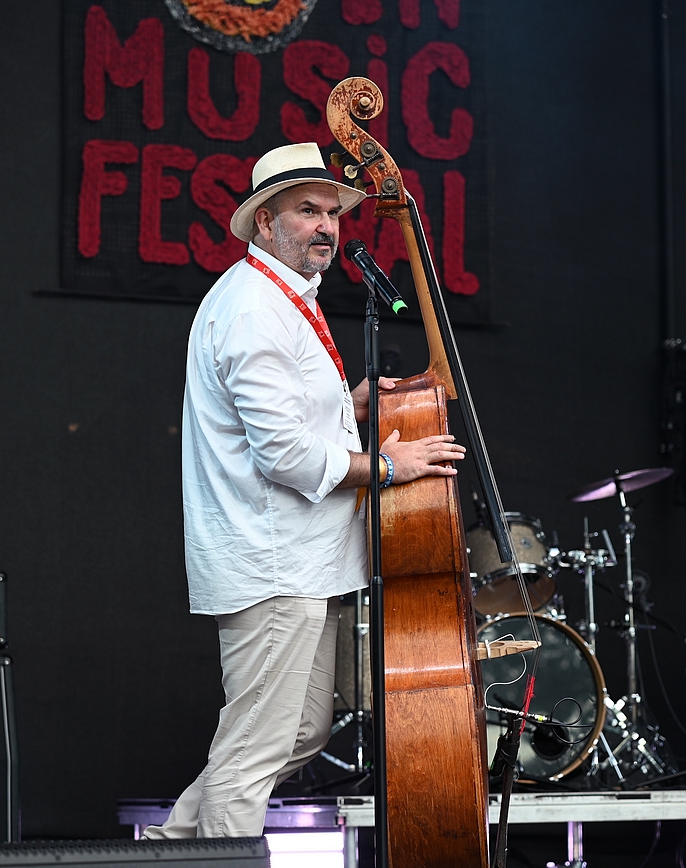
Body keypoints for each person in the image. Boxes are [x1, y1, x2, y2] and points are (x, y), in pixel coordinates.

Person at [141, 143, 466, 840]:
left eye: (333, 214)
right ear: (265, 222)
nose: (326, 226)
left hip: (304, 564)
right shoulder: (254, 309)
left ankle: (169, 849)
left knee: (299, 734)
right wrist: (389, 467)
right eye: (306, 211)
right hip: (273, 566)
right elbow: (284, 454)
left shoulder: (282, 298)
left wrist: (348, 404)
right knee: (252, 754)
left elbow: (285, 418)